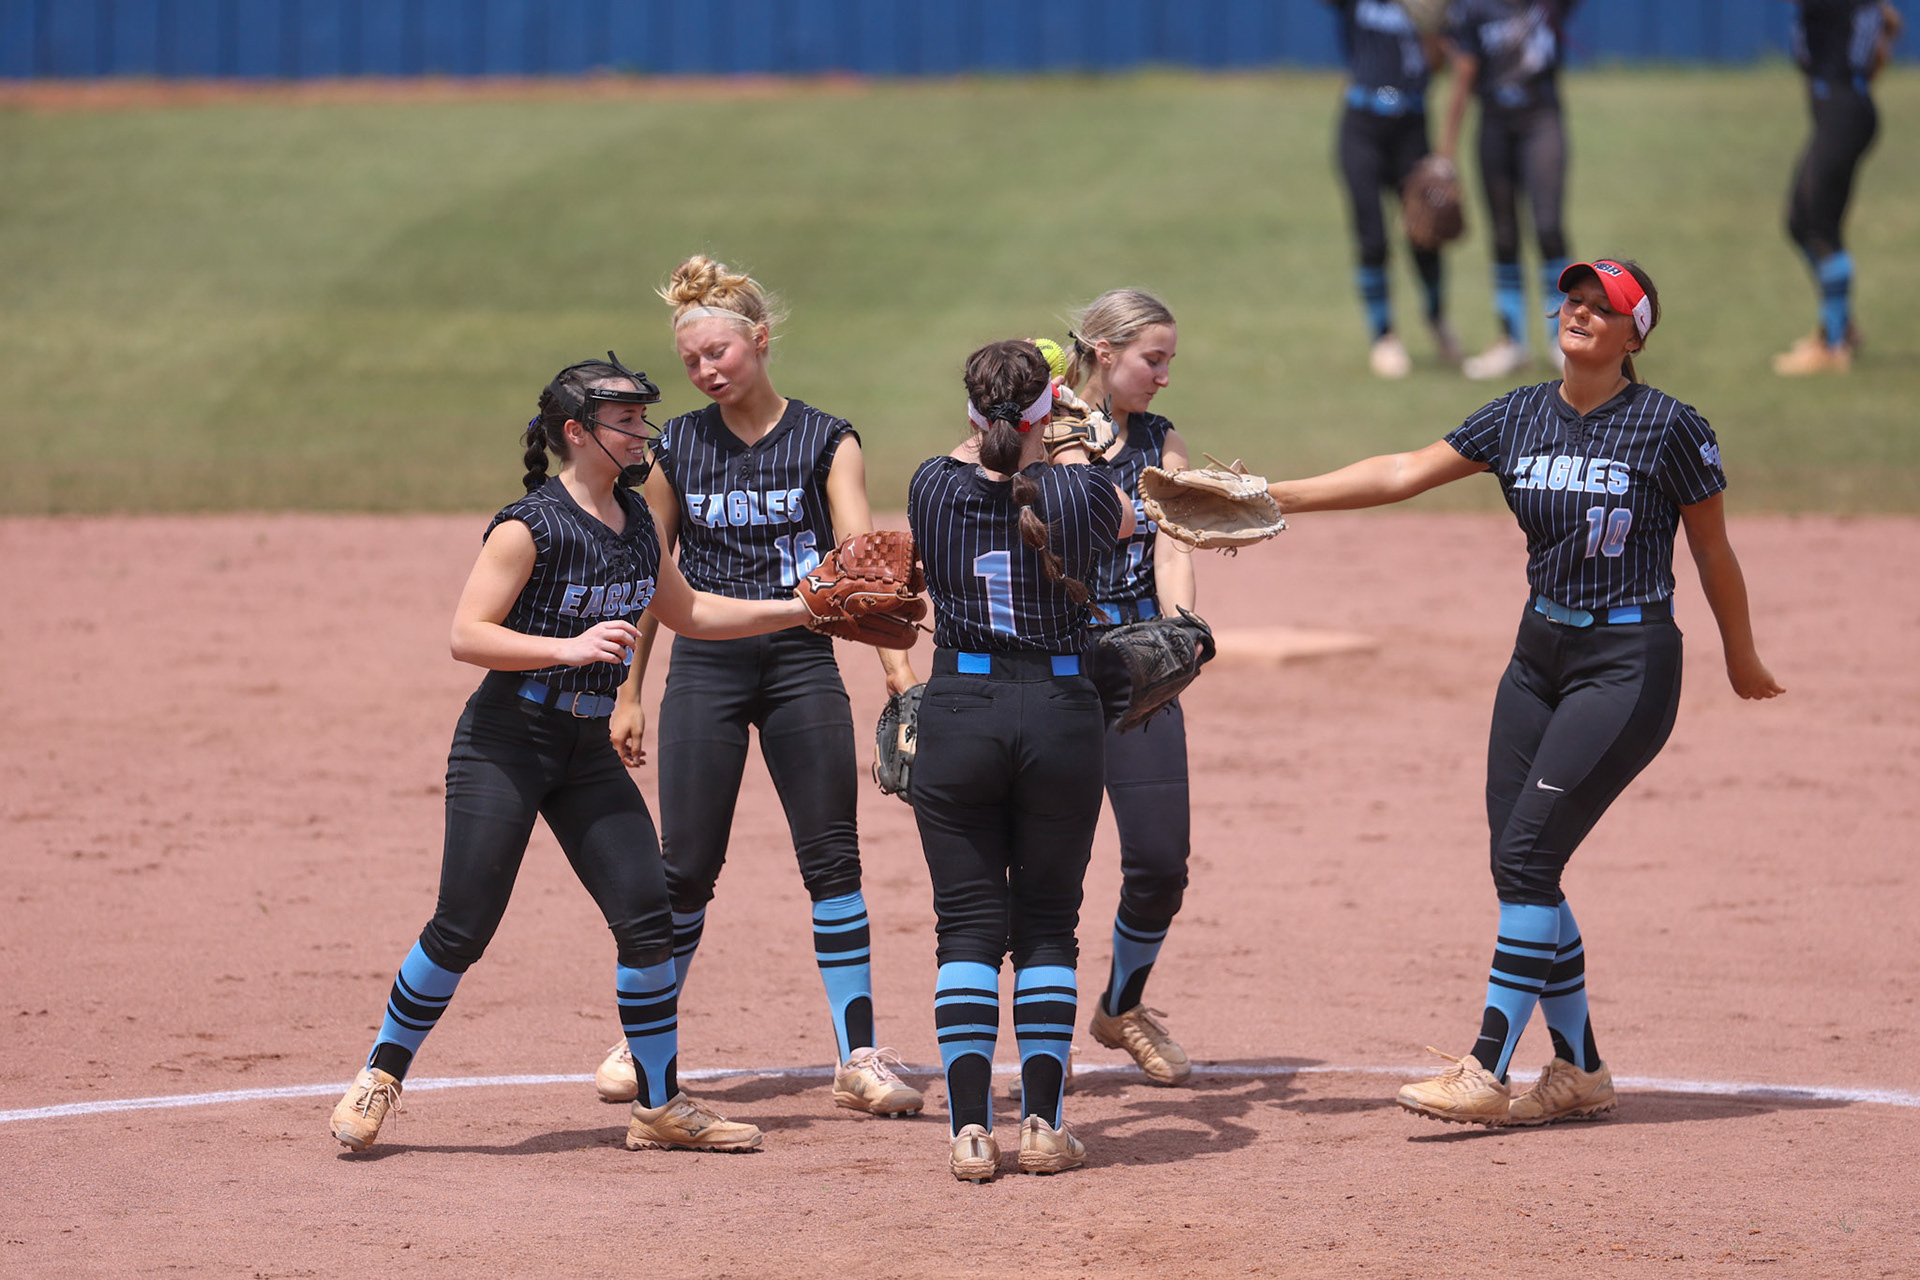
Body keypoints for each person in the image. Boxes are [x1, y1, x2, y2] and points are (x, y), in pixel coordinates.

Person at [1264, 260, 1783, 1125]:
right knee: (1522, 860)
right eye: (1572, 301)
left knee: (1526, 862)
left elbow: (1714, 552)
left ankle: (1485, 1067)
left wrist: (1741, 657)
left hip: (1628, 662)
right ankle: (1579, 1069)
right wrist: (1273, 495)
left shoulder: (1670, 428)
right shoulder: (1519, 413)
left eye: (1601, 307)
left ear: (1634, 335)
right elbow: (1400, 472)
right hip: (1537, 656)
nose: (1579, 315)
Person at [330, 355, 817, 1155]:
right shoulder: (531, 525)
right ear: (576, 432)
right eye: (624, 420)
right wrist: (567, 646)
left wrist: (801, 611)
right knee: (463, 927)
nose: (641, 433)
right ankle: (383, 1071)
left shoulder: (635, 526)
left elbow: (689, 610)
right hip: (505, 744)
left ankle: (658, 1107)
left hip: (584, 750)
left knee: (648, 921)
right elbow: (466, 635)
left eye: (640, 418)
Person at [590, 256, 923, 1120]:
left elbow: (866, 580)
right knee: (687, 864)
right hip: (706, 667)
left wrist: (901, 683)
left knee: (831, 856)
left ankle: (856, 1056)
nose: (705, 371)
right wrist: (630, 693)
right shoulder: (675, 448)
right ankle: (644, 1040)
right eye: (693, 360)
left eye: (718, 352)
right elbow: (647, 581)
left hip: (800, 665)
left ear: (760, 340)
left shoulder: (827, 439)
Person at [907, 340, 1133, 1180]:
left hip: (960, 715)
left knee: (964, 925)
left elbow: (982, 466)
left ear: (971, 410)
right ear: (1049, 411)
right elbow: (1117, 515)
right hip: (1061, 718)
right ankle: (1043, 1124)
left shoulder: (930, 483)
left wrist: (1040, 421)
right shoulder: (1088, 491)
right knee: (1047, 925)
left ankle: (970, 1132)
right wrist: (1077, 424)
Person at [1053, 290, 1198, 1087]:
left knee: (1159, 862)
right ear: (1104, 352)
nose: (1164, 376)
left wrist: (1183, 631)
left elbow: (1173, 545)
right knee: (1045, 868)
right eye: (1154, 359)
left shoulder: (1158, 440)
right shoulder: (1041, 427)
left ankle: (1121, 1004)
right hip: (1053, 669)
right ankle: (1037, 1033)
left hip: (1138, 671)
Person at [1438, 1, 1581, 381]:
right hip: (1495, 124)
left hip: (1541, 120)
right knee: (1503, 234)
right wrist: (1445, 155)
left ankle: (1562, 339)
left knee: (1548, 227)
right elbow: (1463, 76)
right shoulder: (1474, 8)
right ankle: (1511, 341)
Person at [1325, 0, 1462, 378]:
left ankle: (1437, 319)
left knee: (1425, 233)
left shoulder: (1433, 6)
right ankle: (1384, 337)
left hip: (1411, 128)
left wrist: (1433, 28)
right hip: (1362, 128)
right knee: (1373, 239)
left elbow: (1440, 63)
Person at [1773, 0, 1902, 375]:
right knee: (1801, 223)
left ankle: (1833, 346)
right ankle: (1840, 326)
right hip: (1844, 112)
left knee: (1817, 226)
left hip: (1843, 116)